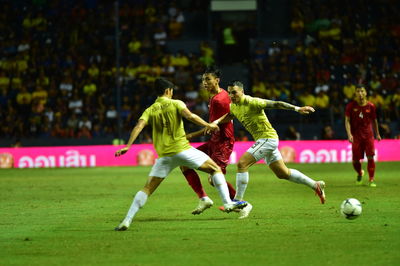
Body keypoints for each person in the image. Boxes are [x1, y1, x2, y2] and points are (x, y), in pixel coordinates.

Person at [114, 78, 247, 231]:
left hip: (164, 156)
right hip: (182, 150)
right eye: (172, 91)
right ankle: (227, 203)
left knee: (147, 189)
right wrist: (208, 125)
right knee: (215, 168)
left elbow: (139, 126)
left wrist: (128, 145)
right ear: (167, 91)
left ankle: (127, 220)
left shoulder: (149, 110)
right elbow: (191, 117)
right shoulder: (176, 103)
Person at [213, 81, 326, 206]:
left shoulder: (253, 102)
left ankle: (238, 200)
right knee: (283, 173)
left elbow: (276, 103)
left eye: (234, 92)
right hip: (263, 140)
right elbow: (230, 115)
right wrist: (216, 122)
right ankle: (315, 185)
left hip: (268, 139)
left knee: (242, 163)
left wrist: (297, 108)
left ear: (242, 92)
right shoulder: (233, 106)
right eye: (229, 93)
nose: (231, 95)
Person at [180, 66, 249, 217]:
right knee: (184, 162)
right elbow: (213, 125)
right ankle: (203, 198)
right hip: (214, 141)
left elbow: (221, 122)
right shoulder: (215, 95)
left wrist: (192, 135)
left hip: (223, 142)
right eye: (203, 80)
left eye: (208, 80)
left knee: (213, 178)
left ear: (216, 80)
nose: (204, 83)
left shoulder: (220, 99)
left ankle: (242, 204)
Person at [345, 85, 381, 187]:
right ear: (355, 94)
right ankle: (360, 173)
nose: (360, 93)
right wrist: (349, 134)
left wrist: (377, 133)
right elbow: (347, 121)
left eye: (362, 91)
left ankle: (371, 179)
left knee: (370, 157)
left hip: (368, 136)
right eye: (358, 91)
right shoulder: (351, 106)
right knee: (356, 160)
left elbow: (374, 121)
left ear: (365, 93)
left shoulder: (371, 106)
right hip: (356, 136)